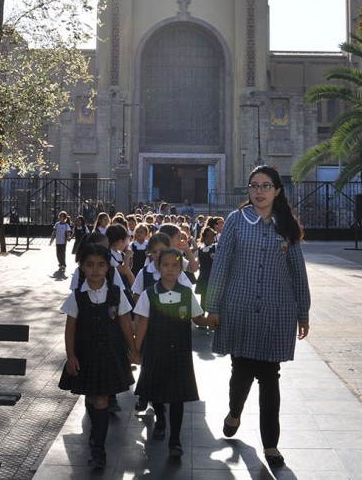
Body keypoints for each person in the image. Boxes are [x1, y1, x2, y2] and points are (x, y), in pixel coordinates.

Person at [204, 165, 311, 469]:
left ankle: (271, 444)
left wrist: (303, 312)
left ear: (277, 190)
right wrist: (213, 306)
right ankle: (234, 411)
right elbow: (221, 264)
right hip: (239, 309)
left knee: (269, 377)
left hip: (277, 313)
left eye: (266, 186)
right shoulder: (237, 221)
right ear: (248, 190)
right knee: (241, 372)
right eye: (254, 186)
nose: (259, 191)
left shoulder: (286, 225)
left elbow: (297, 273)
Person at [60, 242, 139, 469]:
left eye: (101, 265)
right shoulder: (77, 296)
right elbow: (70, 329)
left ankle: (99, 449)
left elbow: (125, 322)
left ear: (107, 268)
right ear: (82, 268)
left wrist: (133, 349)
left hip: (109, 353)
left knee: (102, 397)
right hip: (86, 354)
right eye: (90, 265)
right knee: (92, 398)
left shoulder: (116, 293)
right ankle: (95, 432)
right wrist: (71, 355)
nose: (95, 270)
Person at [133, 247, 210, 457]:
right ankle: (160, 418)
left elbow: (197, 318)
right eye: (165, 265)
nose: (170, 269)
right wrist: (135, 350)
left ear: (181, 269)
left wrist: (213, 320)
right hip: (155, 352)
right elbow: (142, 324)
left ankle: (175, 440)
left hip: (179, 355)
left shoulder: (186, 294)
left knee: (178, 397)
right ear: (158, 267)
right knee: (156, 392)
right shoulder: (149, 294)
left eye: (175, 265)